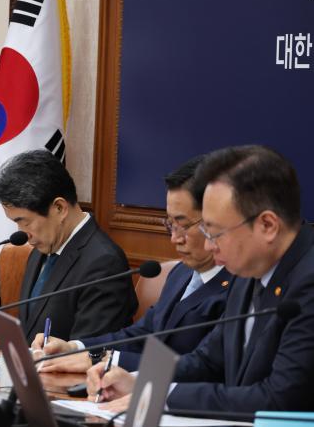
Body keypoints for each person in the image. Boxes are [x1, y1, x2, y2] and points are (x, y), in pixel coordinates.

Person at [87, 145, 314, 412]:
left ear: (267, 225)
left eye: (216, 233)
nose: (209, 246)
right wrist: (139, 383)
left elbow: (278, 399)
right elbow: (207, 361)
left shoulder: (307, 283)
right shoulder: (249, 268)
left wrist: (164, 397)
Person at [32, 156, 232, 372]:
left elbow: (204, 366)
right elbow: (143, 334)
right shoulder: (181, 273)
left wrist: (104, 360)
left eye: (183, 225)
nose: (174, 238)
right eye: (170, 224)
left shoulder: (239, 287)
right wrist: (75, 347)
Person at [0, 150, 137, 343]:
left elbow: (89, 350)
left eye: (25, 222)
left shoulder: (104, 263)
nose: (23, 233)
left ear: (59, 208)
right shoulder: (41, 250)